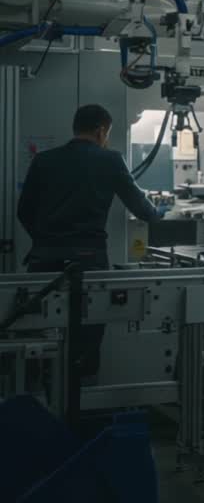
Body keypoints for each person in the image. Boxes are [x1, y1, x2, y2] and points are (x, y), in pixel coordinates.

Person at [17, 104, 160, 381]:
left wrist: (47, 240)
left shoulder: (44, 160)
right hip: (89, 260)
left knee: (37, 329)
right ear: (101, 130)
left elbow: (24, 211)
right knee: (88, 329)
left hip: (43, 259)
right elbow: (142, 209)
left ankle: (40, 397)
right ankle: (81, 397)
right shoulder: (110, 160)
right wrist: (158, 214)